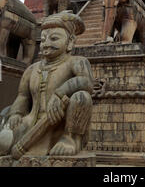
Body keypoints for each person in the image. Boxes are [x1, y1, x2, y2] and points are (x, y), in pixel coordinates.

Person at [0, 11, 94, 158]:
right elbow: (23, 96)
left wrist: (60, 92)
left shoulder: (77, 61)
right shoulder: (32, 69)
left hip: (60, 124)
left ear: (70, 42)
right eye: (43, 40)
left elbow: (86, 82)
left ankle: (71, 139)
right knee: (3, 142)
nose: (46, 44)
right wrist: (16, 113)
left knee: (82, 97)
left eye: (54, 38)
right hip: (32, 122)